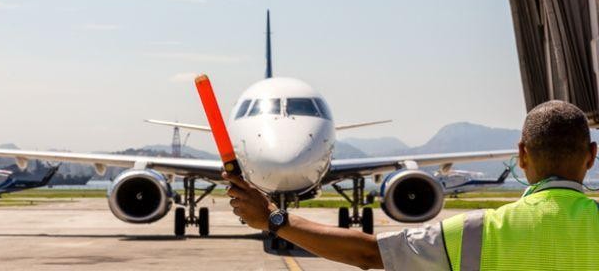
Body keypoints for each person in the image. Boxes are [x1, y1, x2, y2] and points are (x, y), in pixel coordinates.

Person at [224, 100, 599, 270]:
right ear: (591, 156)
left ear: (521, 154)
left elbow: (370, 254)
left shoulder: (477, 232)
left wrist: (274, 219)